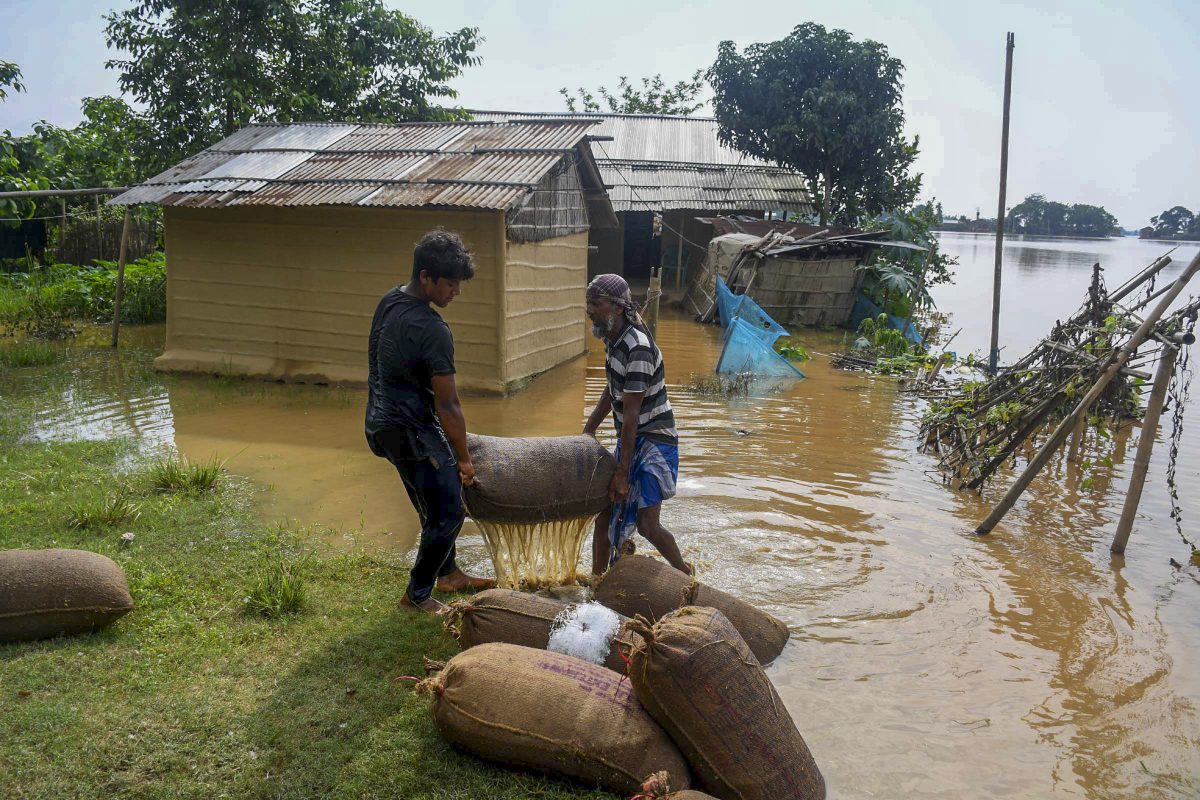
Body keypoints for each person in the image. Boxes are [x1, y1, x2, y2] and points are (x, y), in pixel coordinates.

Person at [365, 229, 494, 613]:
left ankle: (449, 573)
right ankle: (417, 596)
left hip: (380, 424)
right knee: (450, 509)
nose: (456, 291)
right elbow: (449, 404)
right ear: (426, 278)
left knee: (431, 501)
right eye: (450, 284)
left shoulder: (390, 300)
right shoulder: (432, 329)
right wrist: (464, 458)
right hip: (410, 432)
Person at [582, 273, 691, 577]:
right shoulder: (612, 340)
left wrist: (622, 472)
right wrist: (588, 430)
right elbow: (611, 388)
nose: (589, 309)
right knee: (606, 510)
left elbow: (632, 414)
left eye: (596, 303)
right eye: (588, 302)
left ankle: (685, 575)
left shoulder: (637, 347)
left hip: (655, 440)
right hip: (633, 437)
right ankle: (598, 581)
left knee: (647, 524)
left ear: (616, 307)